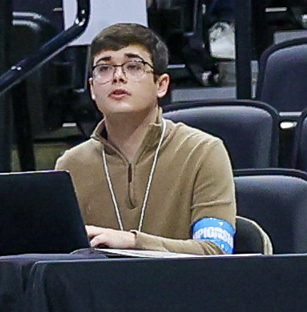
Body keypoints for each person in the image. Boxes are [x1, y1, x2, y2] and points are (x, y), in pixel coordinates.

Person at [55, 25, 238, 254]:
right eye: (104, 68)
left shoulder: (203, 151)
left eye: (133, 66)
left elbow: (216, 251)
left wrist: (134, 242)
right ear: (92, 89)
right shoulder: (70, 165)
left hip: (182, 287)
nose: (118, 77)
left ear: (161, 85)